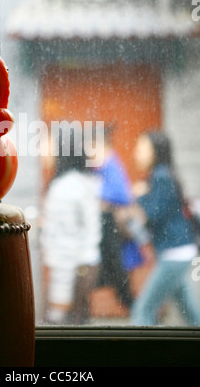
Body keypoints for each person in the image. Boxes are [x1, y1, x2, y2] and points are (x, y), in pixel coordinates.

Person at [125, 131, 200, 326]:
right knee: (189, 311)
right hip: (177, 251)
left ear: (155, 152)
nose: (136, 153)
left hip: (174, 254)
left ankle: (143, 354)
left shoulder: (161, 177)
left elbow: (153, 215)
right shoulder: (162, 176)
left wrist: (140, 195)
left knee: (143, 311)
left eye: (142, 148)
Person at [39, 127, 101, 325]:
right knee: (79, 320)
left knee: (65, 322)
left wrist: (58, 299)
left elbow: (65, 239)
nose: (42, 150)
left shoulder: (65, 187)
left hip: (72, 267)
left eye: (47, 144)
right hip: (81, 264)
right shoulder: (83, 183)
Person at [95, 124, 138, 310]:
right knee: (117, 281)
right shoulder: (102, 167)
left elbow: (122, 195)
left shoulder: (111, 164)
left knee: (119, 282)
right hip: (111, 240)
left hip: (115, 237)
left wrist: (100, 197)